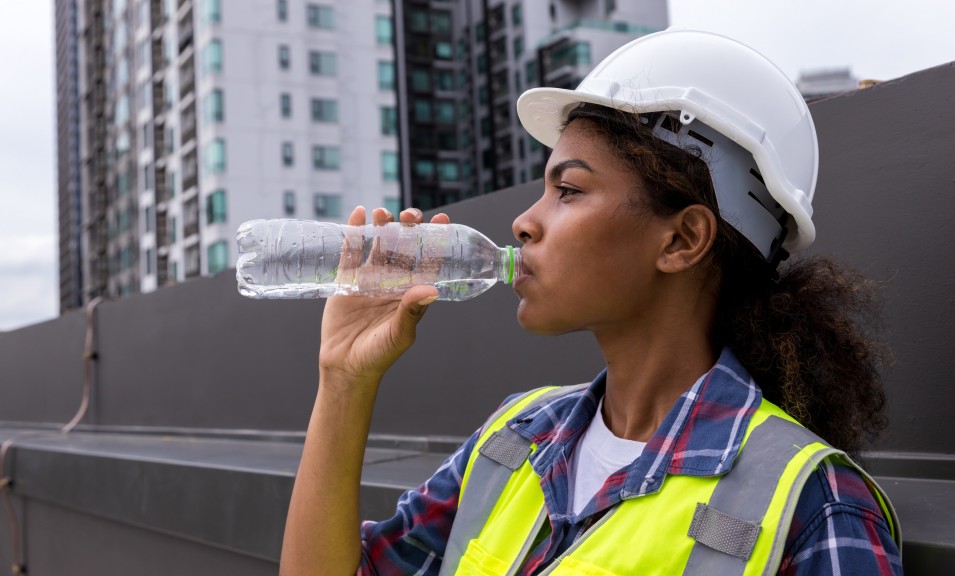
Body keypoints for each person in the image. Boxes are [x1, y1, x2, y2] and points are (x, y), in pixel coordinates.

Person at [281, 29, 902, 575]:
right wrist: (343, 380)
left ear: (682, 239)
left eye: (569, 190)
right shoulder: (514, 440)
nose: (523, 223)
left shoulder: (814, 508)